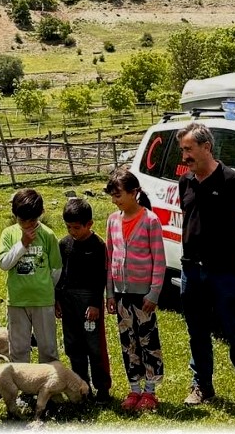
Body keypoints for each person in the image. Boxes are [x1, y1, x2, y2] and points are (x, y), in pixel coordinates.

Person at [175, 123, 235, 415]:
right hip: (191, 271)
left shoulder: (231, 180)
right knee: (197, 332)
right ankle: (202, 385)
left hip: (224, 272)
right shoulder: (186, 182)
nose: (184, 156)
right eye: (182, 149)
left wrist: (234, 257)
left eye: (189, 149)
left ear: (207, 147)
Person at [103, 168, 165, 412]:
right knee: (127, 341)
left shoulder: (150, 221)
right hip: (121, 294)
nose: (114, 200)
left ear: (134, 193)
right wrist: (110, 293)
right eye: (112, 196)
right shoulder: (112, 221)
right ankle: (134, 389)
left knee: (147, 341)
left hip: (144, 296)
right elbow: (109, 258)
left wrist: (154, 293)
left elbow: (159, 261)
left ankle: (150, 391)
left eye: (118, 195)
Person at [56, 197, 113, 401]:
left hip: (89, 303)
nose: (72, 231)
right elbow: (59, 274)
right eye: (68, 227)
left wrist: (95, 303)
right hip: (68, 301)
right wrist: (57, 299)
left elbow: (100, 278)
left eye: (76, 227)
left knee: (94, 347)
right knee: (73, 346)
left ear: (89, 224)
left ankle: (102, 388)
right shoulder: (64, 244)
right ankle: (82, 388)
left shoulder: (98, 246)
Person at [0, 188, 63, 364]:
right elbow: (3, 264)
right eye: (22, 220)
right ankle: (21, 380)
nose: (27, 225)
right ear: (15, 215)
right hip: (17, 300)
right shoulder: (9, 233)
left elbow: (56, 269)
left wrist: (46, 287)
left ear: (41, 214)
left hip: (43, 300)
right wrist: (22, 244)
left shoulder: (48, 235)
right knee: (18, 349)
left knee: (48, 349)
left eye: (32, 220)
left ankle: (48, 381)